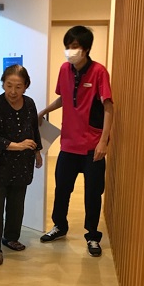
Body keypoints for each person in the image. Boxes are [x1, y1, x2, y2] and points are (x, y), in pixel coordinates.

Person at [38, 25, 113, 257]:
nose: (70, 51)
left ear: (86, 49)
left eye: (74, 47)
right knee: (62, 189)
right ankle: (59, 226)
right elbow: (64, 98)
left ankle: (92, 236)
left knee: (92, 194)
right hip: (68, 145)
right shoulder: (64, 69)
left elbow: (108, 107)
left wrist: (104, 141)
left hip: (92, 147)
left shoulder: (99, 72)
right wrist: (43, 111)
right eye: (67, 47)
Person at [0, 64, 43, 266]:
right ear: (3, 84)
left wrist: (37, 151)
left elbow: (34, 129)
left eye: (18, 86)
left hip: (21, 165)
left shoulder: (30, 104)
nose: (13, 91)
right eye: (9, 85)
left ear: (26, 86)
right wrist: (18, 145)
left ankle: (10, 237)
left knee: (16, 206)